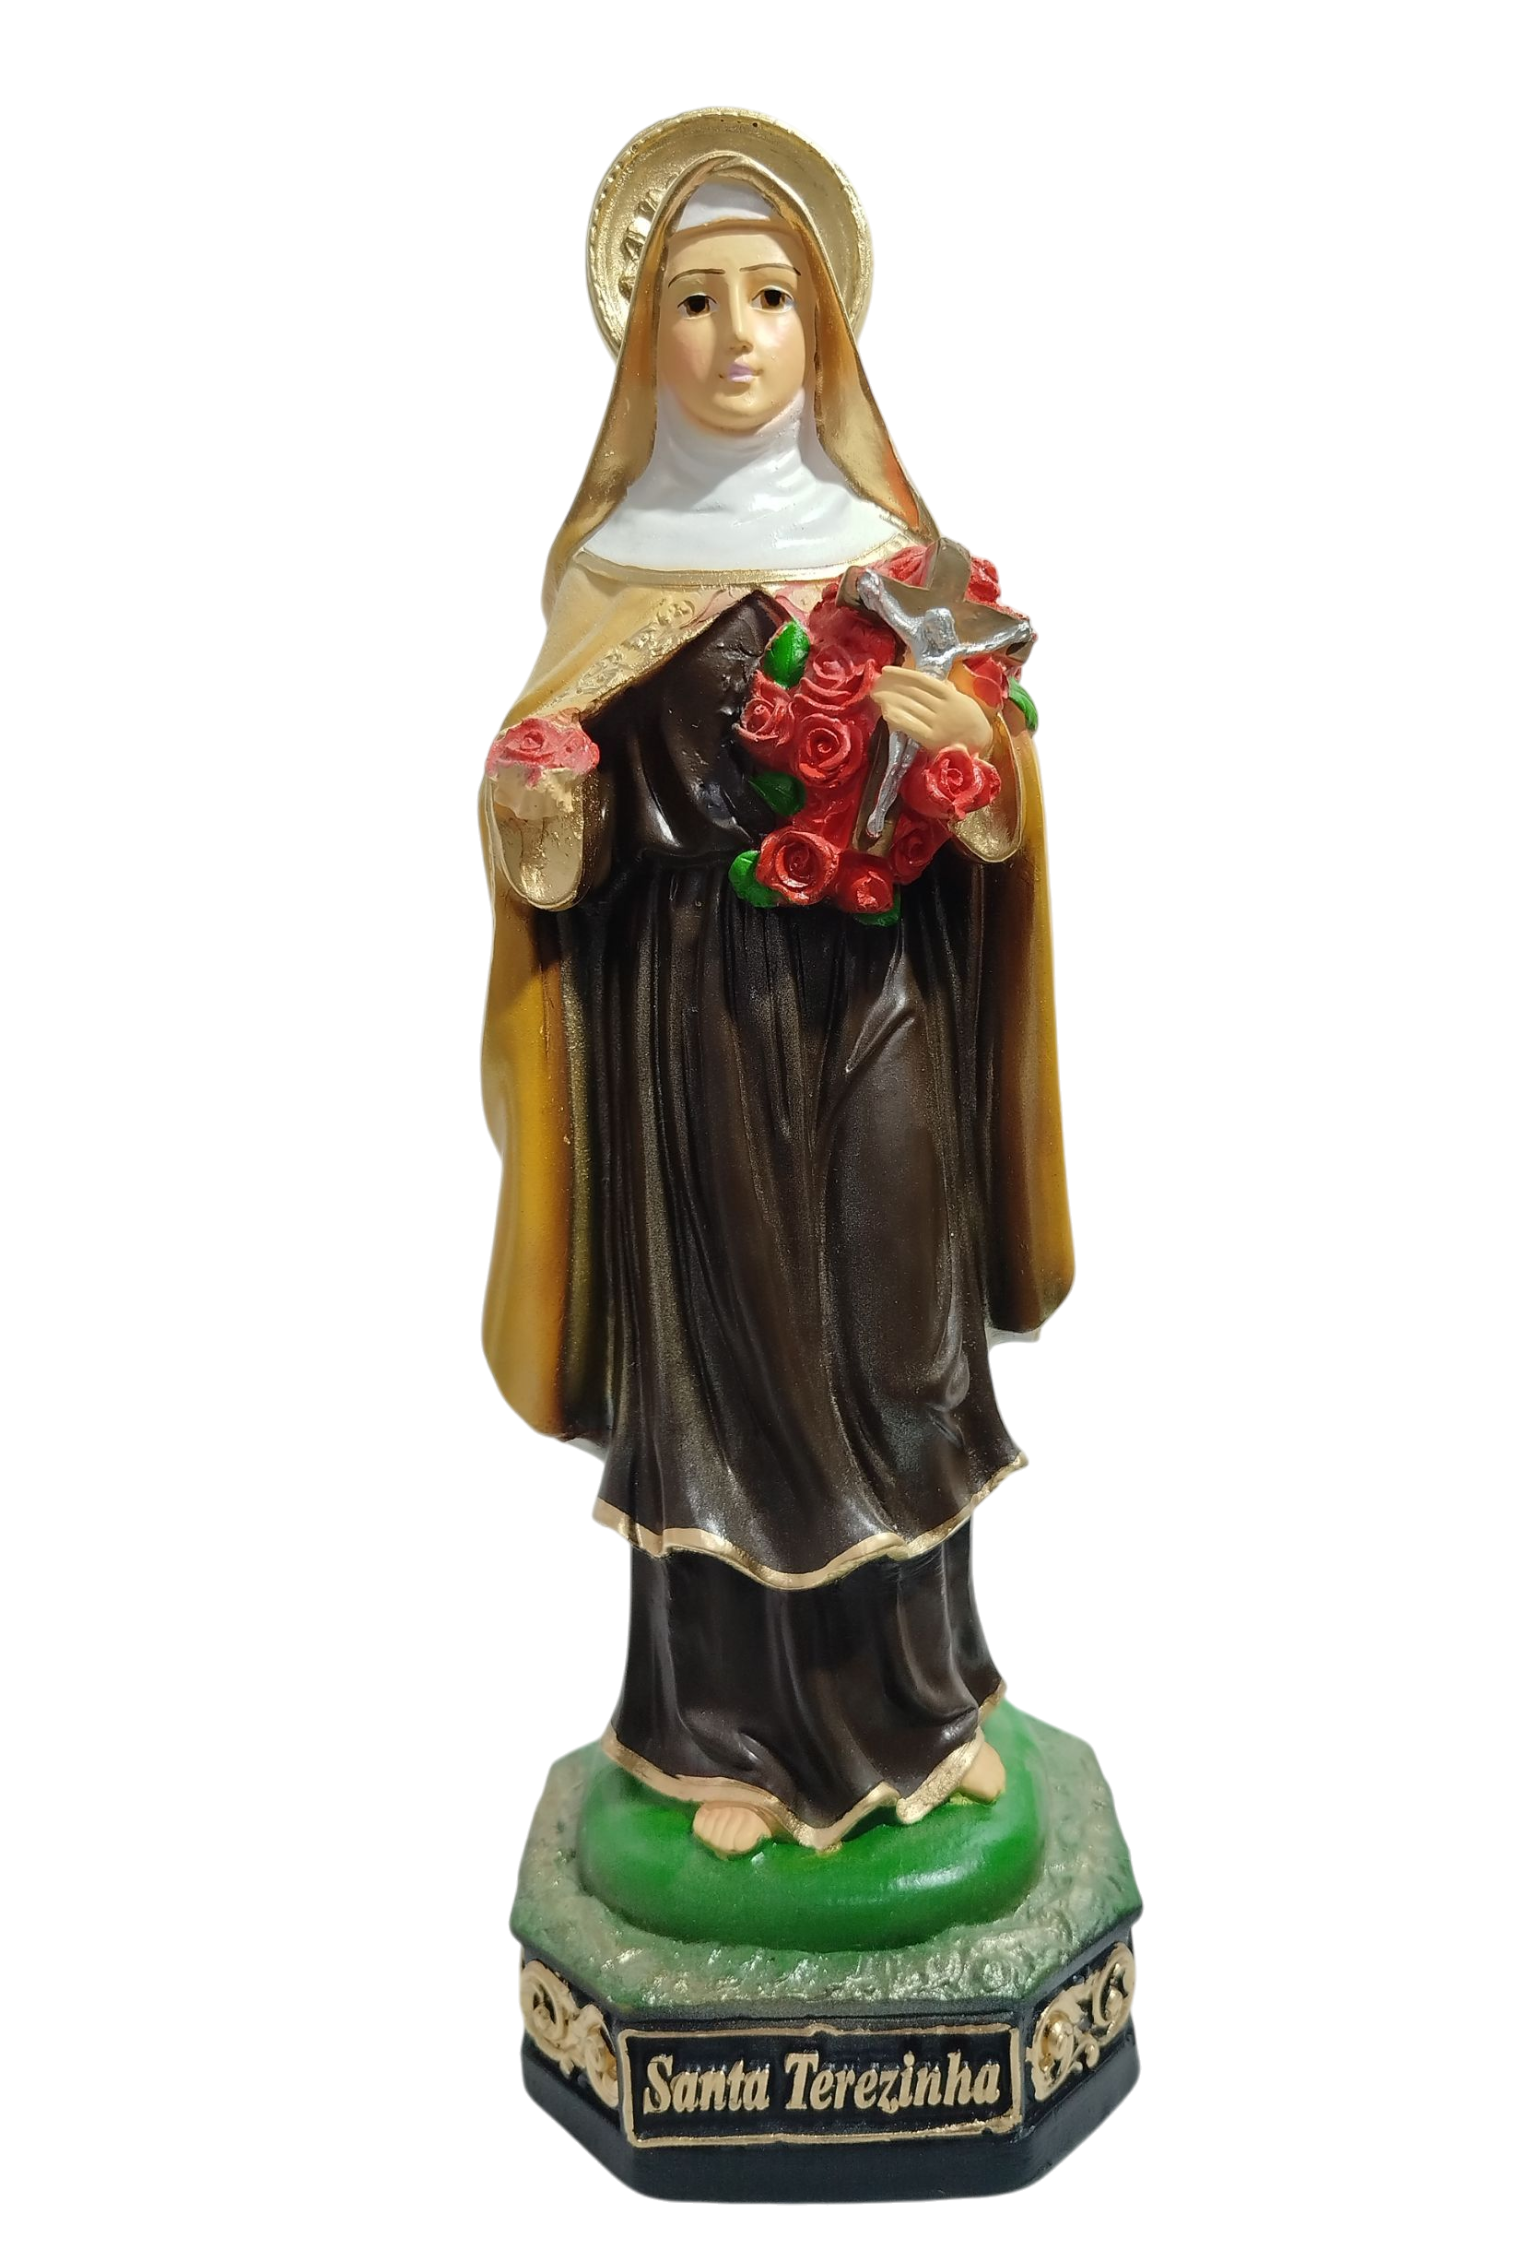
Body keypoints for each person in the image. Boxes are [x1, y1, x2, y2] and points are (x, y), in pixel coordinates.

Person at [480, 129, 1072, 1857]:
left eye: (769, 298)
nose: (734, 337)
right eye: (692, 302)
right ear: (640, 336)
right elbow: (558, 844)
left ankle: (922, 1704)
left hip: (881, 995)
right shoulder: (615, 571)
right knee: (729, 1375)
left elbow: (998, 815)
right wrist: (541, 800)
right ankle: (716, 1737)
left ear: (824, 328)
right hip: (697, 1017)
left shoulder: (886, 554)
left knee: (894, 1342)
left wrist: (969, 761)